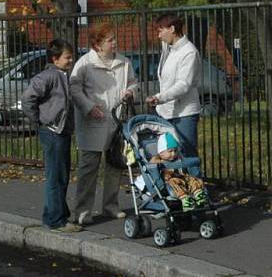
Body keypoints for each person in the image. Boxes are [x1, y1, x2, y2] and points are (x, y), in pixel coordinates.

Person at [70, 22, 139, 225]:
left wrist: (131, 91)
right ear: (97, 44)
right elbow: (74, 88)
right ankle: (82, 211)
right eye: (110, 40)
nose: (115, 43)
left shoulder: (124, 62)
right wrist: (88, 107)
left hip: (116, 120)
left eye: (114, 39)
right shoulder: (84, 63)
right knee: (88, 168)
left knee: (115, 165)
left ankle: (111, 206)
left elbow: (134, 82)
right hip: (93, 120)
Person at [21, 38, 80, 232]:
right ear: (55, 59)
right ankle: (56, 219)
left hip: (59, 131)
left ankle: (55, 214)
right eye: (67, 57)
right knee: (56, 176)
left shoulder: (61, 75)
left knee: (60, 175)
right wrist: (39, 120)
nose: (71, 60)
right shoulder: (49, 77)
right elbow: (28, 98)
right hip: (53, 131)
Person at [145, 13, 201, 158]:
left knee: (186, 155)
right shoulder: (169, 47)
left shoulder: (189, 52)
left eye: (160, 31)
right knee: (166, 156)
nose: (159, 36)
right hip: (165, 112)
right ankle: (174, 181)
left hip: (184, 114)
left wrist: (160, 97)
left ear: (172, 29)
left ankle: (194, 180)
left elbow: (184, 84)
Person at [150, 132, 209, 210]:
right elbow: (152, 162)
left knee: (193, 179)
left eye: (175, 151)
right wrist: (158, 159)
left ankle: (199, 194)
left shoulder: (178, 158)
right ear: (161, 153)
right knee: (173, 182)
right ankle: (186, 199)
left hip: (183, 178)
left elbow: (184, 161)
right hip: (170, 182)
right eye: (170, 151)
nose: (173, 154)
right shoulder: (159, 160)